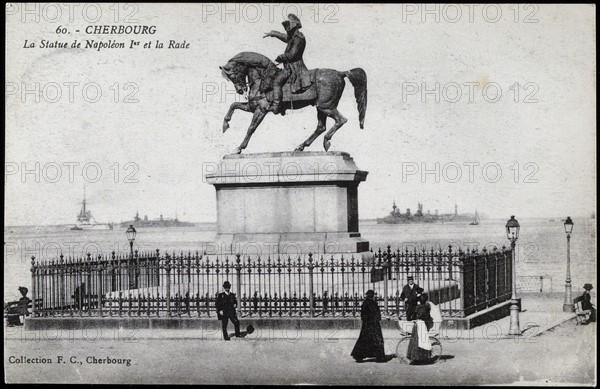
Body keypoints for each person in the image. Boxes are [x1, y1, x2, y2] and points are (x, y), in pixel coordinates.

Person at [263, 13, 312, 115]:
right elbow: (286, 38)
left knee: (276, 81)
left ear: (293, 25)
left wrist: (280, 57)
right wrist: (274, 33)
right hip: (290, 66)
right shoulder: (294, 36)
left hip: (295, 68)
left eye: (288, 25)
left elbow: (291, 55)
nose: (287, 28)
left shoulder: (299, 38)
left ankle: (276, 106)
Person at [351, 290, 388, 362]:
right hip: (374, 324)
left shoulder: (365, 303)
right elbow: (376, 314)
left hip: (367, 325)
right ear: (373, 296)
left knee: (364, 340)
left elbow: (363, 315)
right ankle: (379, 357)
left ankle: (358, 355)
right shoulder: (373, 303)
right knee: (377, 340)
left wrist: (366, 321)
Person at [406, 293, 434, 363]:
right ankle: (423, 357)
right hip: (423, 325)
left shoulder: (418, 308)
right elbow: (427, 317)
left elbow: (414, 316)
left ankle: (415, 357)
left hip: (417, 325)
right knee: (423, 341)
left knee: (415, 341)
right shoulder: (427, 308)